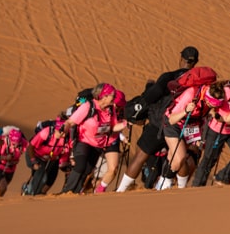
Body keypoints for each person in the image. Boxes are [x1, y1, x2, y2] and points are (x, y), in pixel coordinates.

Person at [118, 46, 198, 192]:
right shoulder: (198, 81)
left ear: (181, 59)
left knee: (141, 155)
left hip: (158, 122)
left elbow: (152, 96)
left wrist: (148, 90)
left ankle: (121, 190)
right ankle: (181, 188)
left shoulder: (169, 76)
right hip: (182, 124)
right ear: (195, 62)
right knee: (178, 157)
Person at [61, 83, 125, 193]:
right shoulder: (88, 106)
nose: (114, 99)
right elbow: (71, 121)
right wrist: (63, 129)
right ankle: (67, 191)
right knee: (80, 166)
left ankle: (75, 192)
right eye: (112, 96)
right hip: (84, 141)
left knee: (87, 170)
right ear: (104, 96)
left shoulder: (110, 109)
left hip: (98, 144)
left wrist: (125, 124)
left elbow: (113, 127)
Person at [0, 127, 28, 197]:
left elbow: (30, 148)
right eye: (13, 143)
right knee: (3, 186)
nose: (15, 145)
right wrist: (6, 158)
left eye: (17, 143)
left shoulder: (22, 142)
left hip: (11, 169)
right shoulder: (3, 141)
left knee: (2, 189)